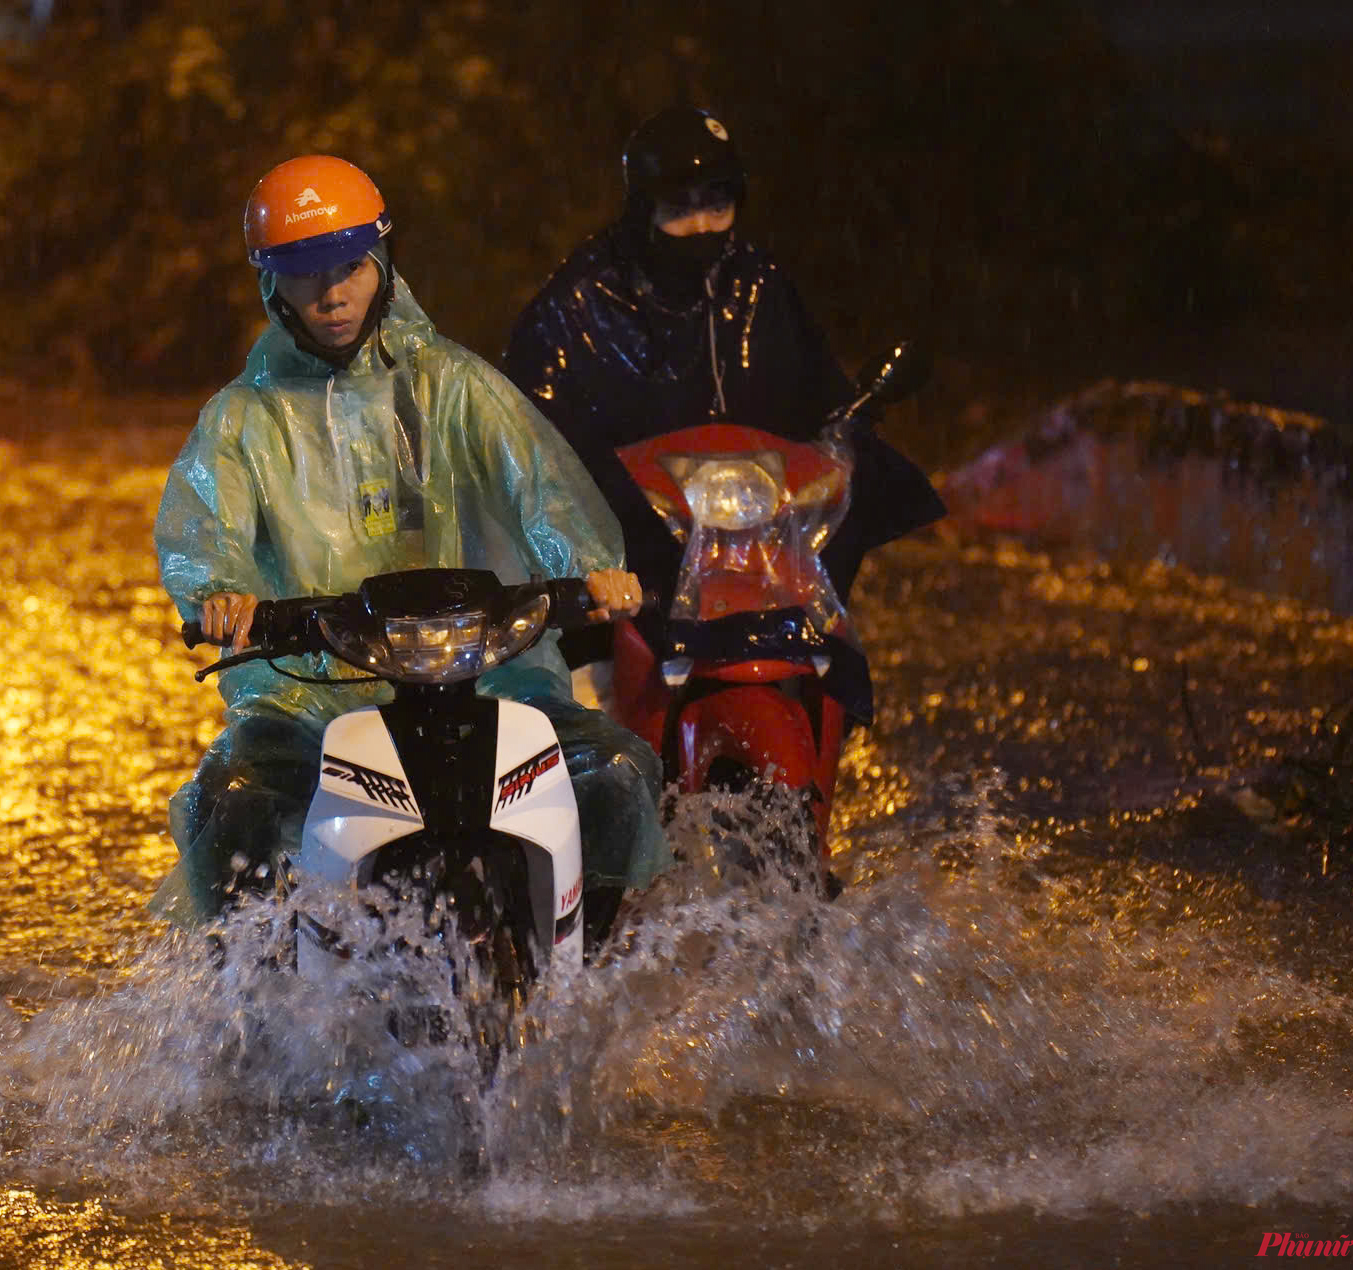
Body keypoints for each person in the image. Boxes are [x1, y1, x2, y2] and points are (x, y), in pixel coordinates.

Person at [149, 155, 671, 926]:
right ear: (270, 284)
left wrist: (592, 568)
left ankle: (589, 953)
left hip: (484, 679)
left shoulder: (454, 385)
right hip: (310, 697)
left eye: (350, 266)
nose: (332, 294)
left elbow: (539, 483)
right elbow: (205, 526)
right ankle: (248, 998)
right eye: (304, 273)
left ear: (383, 260)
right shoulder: (241, 419)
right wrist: (220, 592)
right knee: (231, 804)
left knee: (619, 771)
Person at [503, 106, 945, 673]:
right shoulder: (583, 299)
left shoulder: (757, 283)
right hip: (634, 571)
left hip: (760, 558)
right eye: (680, 209)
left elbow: (817, 398)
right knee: (589, 717)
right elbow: (531, 431)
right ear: (642, 209)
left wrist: (849, 425)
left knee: (833, 662)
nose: (704, 226)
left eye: (717, 203)